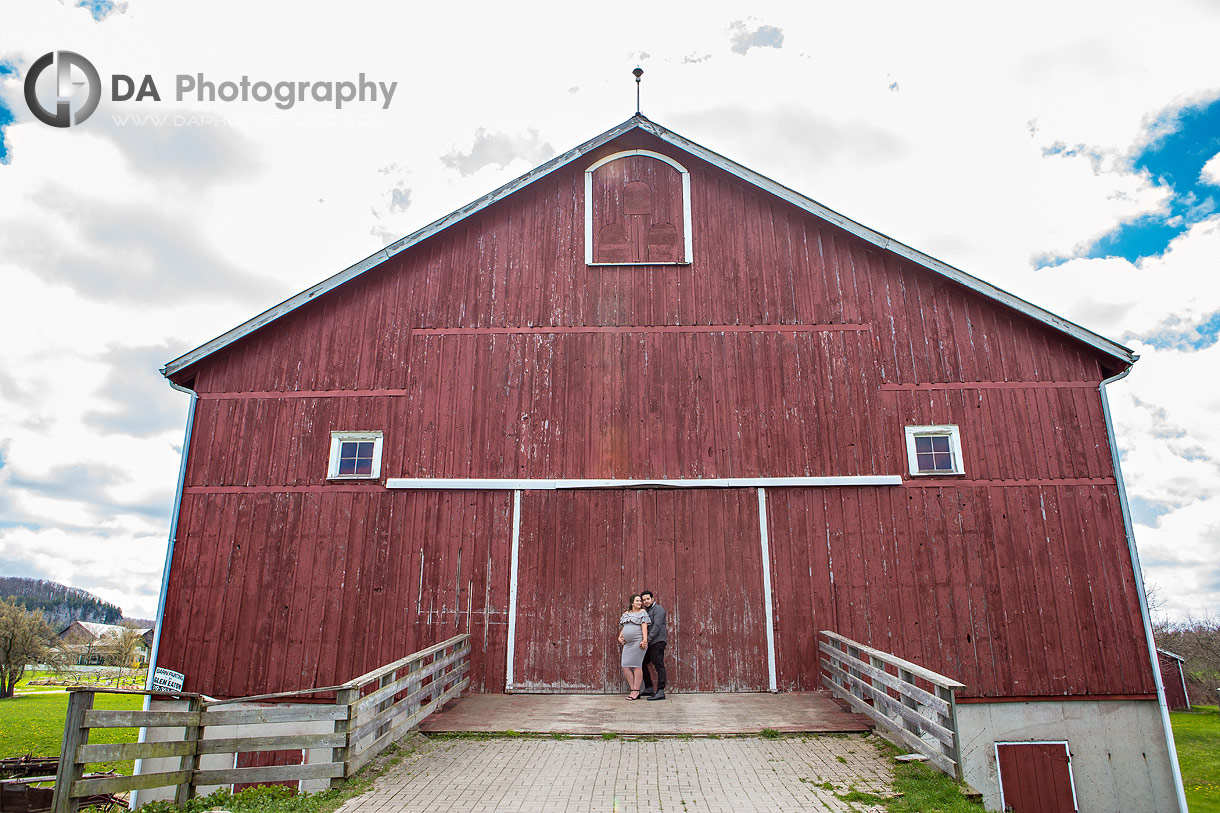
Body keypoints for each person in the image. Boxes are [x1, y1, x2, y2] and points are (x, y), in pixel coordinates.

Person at [617, 594, 650, 700]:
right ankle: (633, 689)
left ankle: (635, 691)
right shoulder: (626, 614)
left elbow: (644, 626)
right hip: (628, 644)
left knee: (637, 665)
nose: (639, 603)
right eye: (637, 601)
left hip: (637, 642)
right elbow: (624, 627)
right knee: (625, 666)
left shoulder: (642, 613)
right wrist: (620, 637)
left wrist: (645, 640)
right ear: (632, 603)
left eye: (640, 601)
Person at [640, 589, 667, 700]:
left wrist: (647, 640)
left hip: (657, 642)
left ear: (652, 599)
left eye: (648, 599)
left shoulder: (658, 609)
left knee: (659, 665)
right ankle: (649, 688)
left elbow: (656, 626)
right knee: (642, 663)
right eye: (644, 600)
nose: (646, 601)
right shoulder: (646, 611)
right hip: (650, 643)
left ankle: (660, 691)